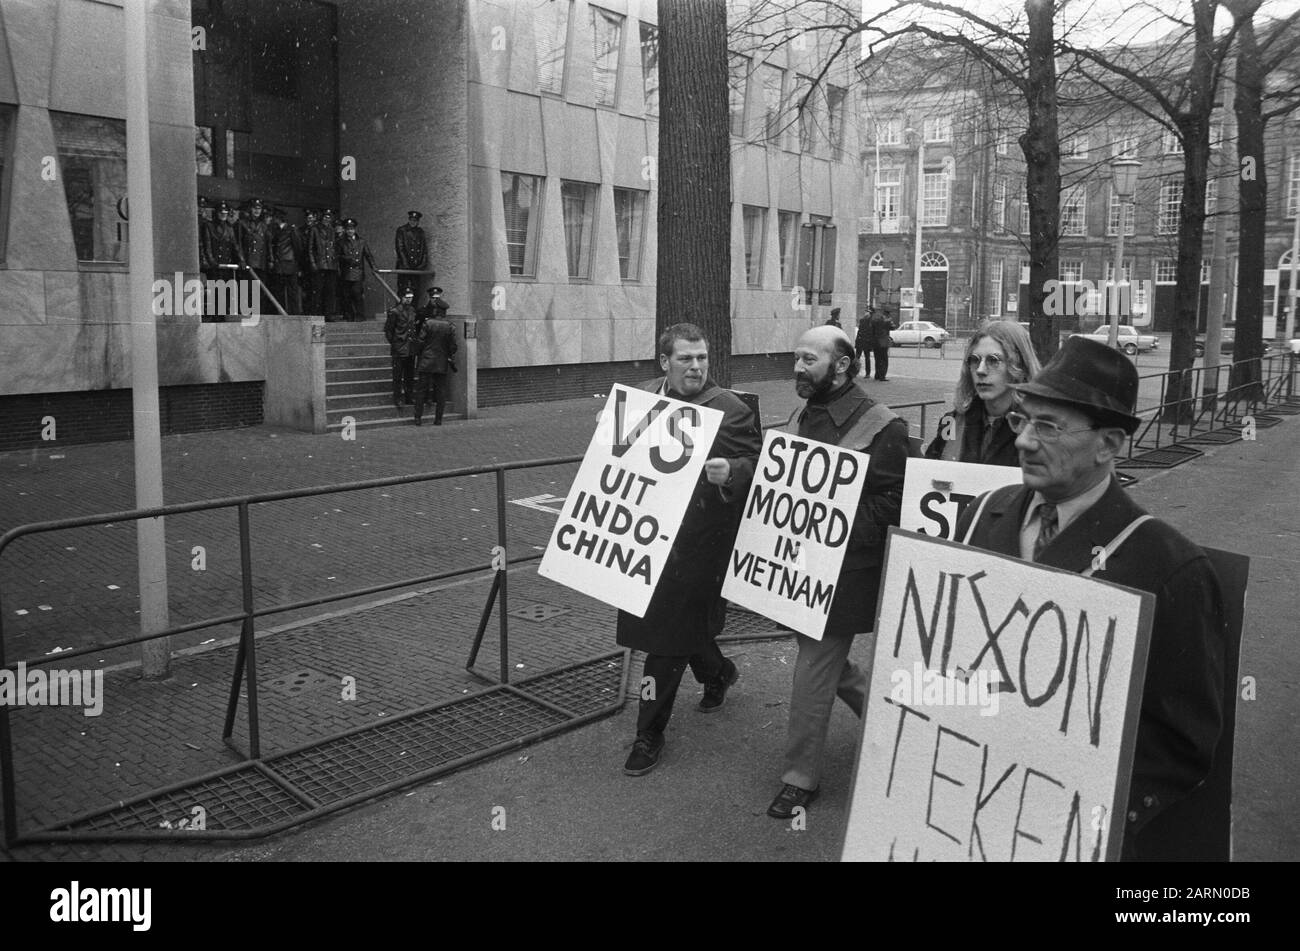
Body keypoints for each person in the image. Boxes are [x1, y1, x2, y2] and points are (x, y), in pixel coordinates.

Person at [953, 336, 1225, 861]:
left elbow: (1181, 742)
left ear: (1109, 444)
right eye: (1022, 420)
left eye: (1048, 427)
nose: (1024, 441)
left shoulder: (1170, 566)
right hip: (966, 807)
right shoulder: (982, 514)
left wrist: (1082, 811)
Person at [768, 325, 910, 819]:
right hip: (800, 566)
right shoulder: (802, 413)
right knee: (826, 663)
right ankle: (891, 715)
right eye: (797, 357)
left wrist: (837, 521)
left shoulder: (884, 426)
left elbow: (898, 502)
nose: (798, 367)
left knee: (812, 668)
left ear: (843, 365)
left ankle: (799, 779)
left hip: (845, 574)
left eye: (809, 359)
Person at [618, 323, 762, 776]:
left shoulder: (731, 410)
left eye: (702, 358)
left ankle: (648, 732)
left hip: (700, 547)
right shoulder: (640, 399)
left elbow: (760, 465)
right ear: (665, 362)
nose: (696, 366)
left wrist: (732, 471)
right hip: (646, 540)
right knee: (673, 629)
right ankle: (718, 673)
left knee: (663, 643)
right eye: (686, 358)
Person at [925, 320, 1041, 466]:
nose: (980, 370)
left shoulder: (1039, 428)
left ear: (1019, 366)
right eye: (975, 360)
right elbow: (930, 470)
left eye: (993, 360)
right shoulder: (951, 422)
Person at [411, 290, 457, 426]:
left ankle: (418, 418)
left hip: (426, 360)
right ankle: (438, 419)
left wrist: (420, 353)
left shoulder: (428, 323)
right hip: (441, 362)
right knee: (441, 392)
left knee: (421, 391)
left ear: (435, 310)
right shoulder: (450, 326)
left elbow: (420, 342)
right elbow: (453, 347)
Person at [385, 288, 419, 412]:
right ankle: (398, 398)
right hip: (399, 348)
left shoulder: (412, 310)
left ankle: (409, 396)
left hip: (410, 348)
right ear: (401, 297)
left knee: (409, 375)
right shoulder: (394, 312)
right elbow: (389, 330)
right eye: (406, 297)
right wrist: (395, 344)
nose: (409, 300)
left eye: (411, 297)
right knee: (398, 375)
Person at [337, 217, 376, 321]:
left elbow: (368, 255)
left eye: (352, 229)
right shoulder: (341, 242)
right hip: (346, 271)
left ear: (355, 229)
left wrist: (374, 267)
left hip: (358, 271)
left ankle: (360, 315)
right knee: (346, 296)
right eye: (348, 229)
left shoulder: (361, 241)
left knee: (357, 293)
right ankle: (349, 315)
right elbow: (337, 256)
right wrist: (346, 258)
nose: (350, 231)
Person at [267, 207, 302, 315]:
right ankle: (281, 312)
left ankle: (294, 312)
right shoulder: (274, 230)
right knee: (279, 291)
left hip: (289, 263)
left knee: (292, 291)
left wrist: (297, 263)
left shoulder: (291, 229)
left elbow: (297, 247)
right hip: (280, 263)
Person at [308, 208, 340, 319]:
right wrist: (313, 263)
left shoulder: (332, 230)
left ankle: (328, 314)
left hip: (331, 265)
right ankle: (316, 314)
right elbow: (310, 248)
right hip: (319, 264)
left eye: (329, 217)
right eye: (326, 216)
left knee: (330, 291)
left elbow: (335, 247)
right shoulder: (315, 229)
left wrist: (335, 263)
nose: (327, 219)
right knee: (317, 290)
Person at [394, 210, 429, 297]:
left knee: (416, 291)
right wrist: (406, 265)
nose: (413, 222)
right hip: (404, 267)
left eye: (415, 220)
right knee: (404, 290)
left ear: (418, 221)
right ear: (409, 220)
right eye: (412, 220)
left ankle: (414, 306)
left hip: (416, 267)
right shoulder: (402, 230)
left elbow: (424, 249)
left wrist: (422, 264)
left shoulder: (420, 232)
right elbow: (400, 248)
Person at [868, 306, 895, 381]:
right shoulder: (887, 320)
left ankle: (877, 375)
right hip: (883, 341)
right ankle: (882, 376)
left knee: (877, 359)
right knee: (884, 359)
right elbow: (893, 327)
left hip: (875, 341)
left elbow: (871, 329)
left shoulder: (875, 320)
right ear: (888, 313)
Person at [855, 307, 874, 377]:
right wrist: (857, 341)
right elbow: (859, 331)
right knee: (857, 357)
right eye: (866, 312)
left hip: (867, 342)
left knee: (867, 358)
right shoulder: (862, 320)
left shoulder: (871, 321)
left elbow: (871, 333)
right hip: (860, 341)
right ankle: (854, 371)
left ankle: (867, 373)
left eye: (867, 312)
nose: (866, 313)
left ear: (870, 313)